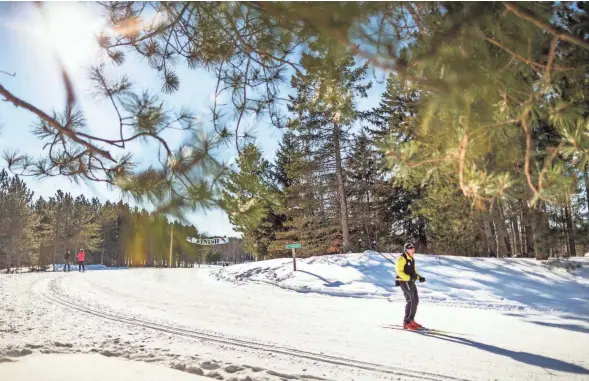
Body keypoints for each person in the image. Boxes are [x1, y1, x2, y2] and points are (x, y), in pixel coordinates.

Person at [395, 242, 426, 330]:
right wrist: (409, 278)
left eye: (413, 248)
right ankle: (406, 322)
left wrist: (420, 277)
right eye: (410, 248)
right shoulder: (401, 258)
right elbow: (399, 272)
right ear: (406, 250)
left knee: (416, 300)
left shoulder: (412, 259)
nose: (412, 250)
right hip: (403, 281)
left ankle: (411, 320)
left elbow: (414, 271)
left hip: (410, 281)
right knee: (410, 300)